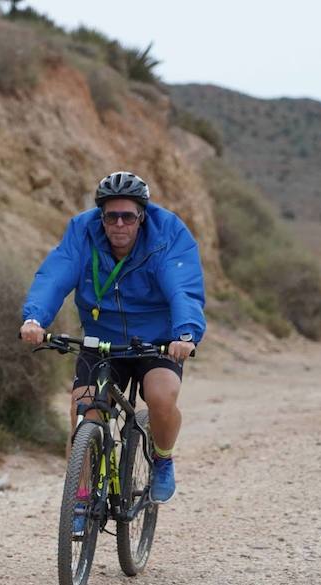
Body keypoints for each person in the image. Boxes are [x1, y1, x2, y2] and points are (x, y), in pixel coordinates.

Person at [19, 171, 205, 519]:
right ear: (100, 216)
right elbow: (56, 274)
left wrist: (185, 334)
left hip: (158, 340)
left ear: (142, 217)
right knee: (83, 406)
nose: (119, 224)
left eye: (127, 216)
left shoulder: (167, 234)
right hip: (101, 337)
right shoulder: (83, 231)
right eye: (111, 216)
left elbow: (183, 286)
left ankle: (162, 458)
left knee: (161, 396)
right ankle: (83, 492)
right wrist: (35, 319)